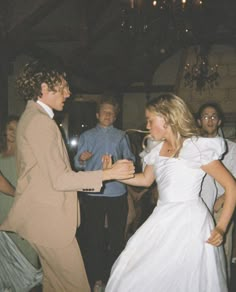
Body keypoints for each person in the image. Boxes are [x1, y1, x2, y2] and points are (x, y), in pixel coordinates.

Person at [0, 59, 134, 292]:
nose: (68, 93)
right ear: (44, 88)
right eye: (63, 87)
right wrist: (107, 173)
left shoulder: (31, 117)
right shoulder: (41, 123)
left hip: (42, 221)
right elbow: (60, 179)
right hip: (50, 224)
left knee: (54, 286)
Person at [105, 93, 236, 292]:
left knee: (186, 277)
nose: (147, 126)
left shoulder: (196, 147)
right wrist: (113, 174)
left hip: (191, 222)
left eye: (150, 120)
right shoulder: (156, 150)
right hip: (162, 217)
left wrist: (221, 227)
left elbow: (231, 186)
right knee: (134, 268)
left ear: (167, 119)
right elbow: (145, 180)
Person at [74, 96, 135, 291]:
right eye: (105, 112)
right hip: (93, 193)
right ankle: (97, 279)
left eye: (112, 113)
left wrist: (121, 160)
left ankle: (115, 279)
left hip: (117, 192)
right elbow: (76, 163)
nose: (108, 115)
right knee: (94, 239)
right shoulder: (86, 136)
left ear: (115, 117)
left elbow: (131, 159)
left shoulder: (121, 136)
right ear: (97, 115)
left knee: (117, 238)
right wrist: (82, 159)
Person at [0, 116, 43, 291]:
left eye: (17, 128)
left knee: (28, 254)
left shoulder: (27, 157)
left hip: (21, 209)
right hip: (2, 208)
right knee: (5, 262)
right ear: (4, 131)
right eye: (10, 128)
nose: (13, 132)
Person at [197, 102, 236, 281]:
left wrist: (223, 197)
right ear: (199, 121)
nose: (210, 120)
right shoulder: (193, 146)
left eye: (214, 116)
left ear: (219, 121)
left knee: (222, 255)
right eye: (206, 116)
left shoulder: (230, 148)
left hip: (223, 207)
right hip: (198, 207)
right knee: (201, 255)